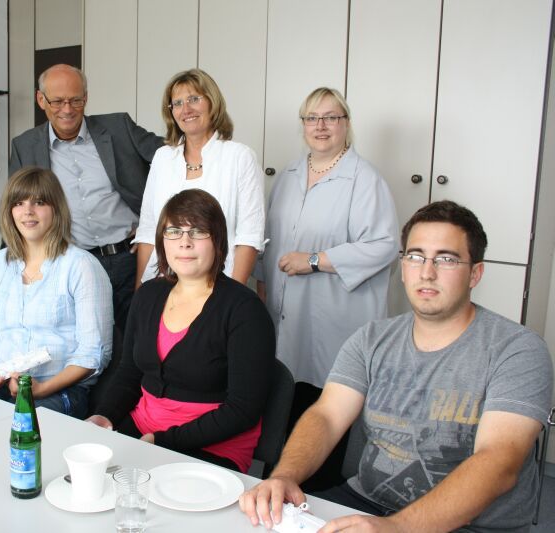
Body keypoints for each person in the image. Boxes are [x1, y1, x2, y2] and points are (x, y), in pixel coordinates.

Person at [239, 201, 553, 533]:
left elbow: (499, 461)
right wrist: (285, 475)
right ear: (403, 268)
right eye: (415, 257)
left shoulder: (517, 349)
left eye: (445, 259)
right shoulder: (371, 339)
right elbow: (327, 416)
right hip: (366, 504)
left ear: (475, 273)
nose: (427, 272)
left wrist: (398, 528)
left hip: (471, 526)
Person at [255, 87, 398, 486]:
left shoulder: (364, 178)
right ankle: (278, 479)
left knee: (324, 396)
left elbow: (384, 245)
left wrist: (315, 260)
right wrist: (264, 284)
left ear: (346, 124)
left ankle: (315, 486)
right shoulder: (289, 174)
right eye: (312, 118)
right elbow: (271, 236)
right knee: (286, 392)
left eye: (331, 117)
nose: (321, 126)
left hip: (335, 310)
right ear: (302, 125)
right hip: (286, 310)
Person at [88, 189, 275, 473]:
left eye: (198, 232)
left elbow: (242, 410)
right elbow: (129, 372)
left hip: (211, 446)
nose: (184, 243)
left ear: (218, 241)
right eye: (174, 231)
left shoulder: (245, 309)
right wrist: (106, 415)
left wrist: (164, 440)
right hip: (144, 430)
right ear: (163, 242)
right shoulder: (148, 294)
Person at [9, 64, 163, 330]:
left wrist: (156, 226)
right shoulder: (24, 146)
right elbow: (16, 208)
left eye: (76, 100)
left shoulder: (118, 127)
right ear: (40, 100)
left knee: (138, 337)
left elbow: (172, 161)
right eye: (57, 101)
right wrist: (12, 267)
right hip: (73, 261)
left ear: (86, 98)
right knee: (88, 339)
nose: (67, 110)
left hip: (130, 256)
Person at [0, 167, 113, 418]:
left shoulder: (81, 266)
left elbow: (93, 354)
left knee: (18, 431)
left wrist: (43, 388)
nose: (28, 212)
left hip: (57, 389)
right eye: (19, 203)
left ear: (56, 209)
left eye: (40, 202)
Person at [134, 68, 264, 288]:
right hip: (164, 284)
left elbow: (249, 237)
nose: (186, 109)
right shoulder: (162, 158)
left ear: (212, 102)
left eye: (194, 99)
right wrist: (140, 292)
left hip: (220, 284)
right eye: (177, 103)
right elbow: (148, 232)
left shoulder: (239, 157)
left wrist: (231, 298)